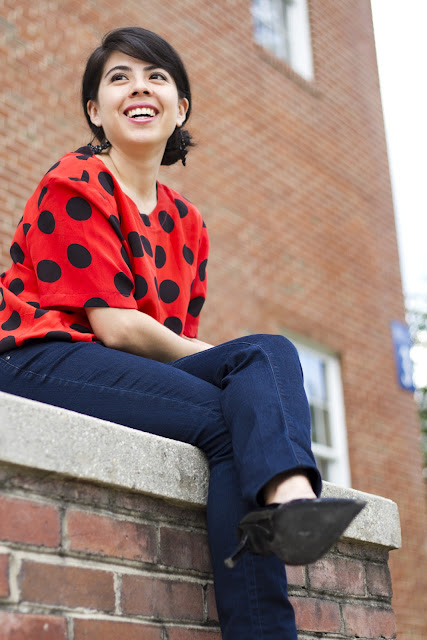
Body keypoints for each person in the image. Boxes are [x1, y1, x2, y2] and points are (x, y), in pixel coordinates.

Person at [0, 27, 364, 639]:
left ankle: (289, 508)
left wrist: (232, 365)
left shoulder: (186, 223)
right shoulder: (76, 180)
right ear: (95, 111)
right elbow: (116, 327)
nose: (138, 89)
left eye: (156, 78)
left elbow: (171, 349)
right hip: (36, 355)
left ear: (180, 107)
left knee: (241, 400)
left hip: (105, 367)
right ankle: (292, 502)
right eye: (118, 79)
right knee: (255, 362)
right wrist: (230, 359)